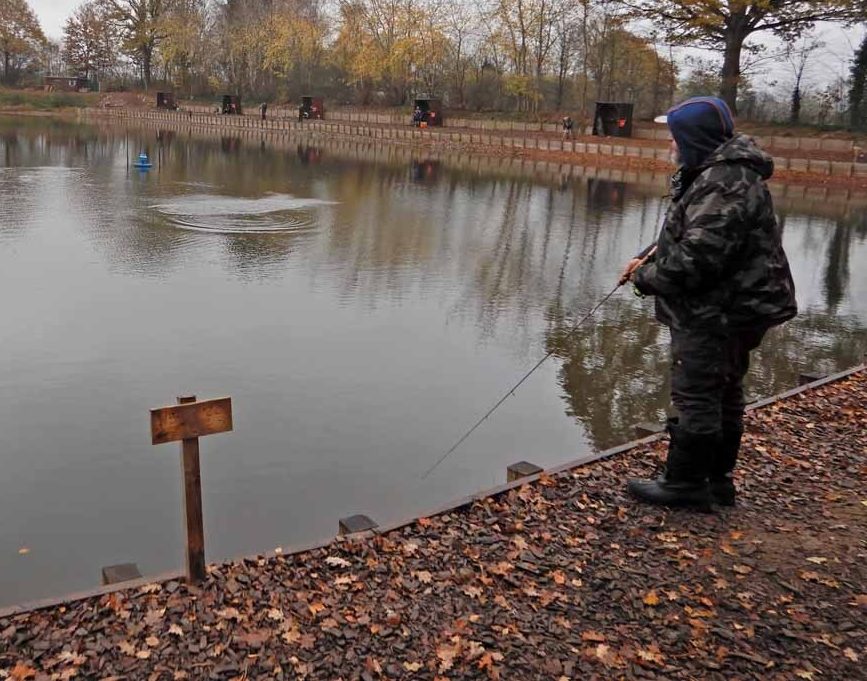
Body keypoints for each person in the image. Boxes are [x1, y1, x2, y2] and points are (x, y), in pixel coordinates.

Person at [620, 96, 797, 510]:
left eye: (674, 137)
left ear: (693, 138)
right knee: (724, 389)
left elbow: (695, 262)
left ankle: (685, 485)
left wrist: (644, 278)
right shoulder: (718, 175)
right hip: (735, 308)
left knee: (698, 393)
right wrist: (650, 254)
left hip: (719, 312)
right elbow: (695, 235)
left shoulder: (724, 183)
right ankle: (716, 480)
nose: (670, 145)